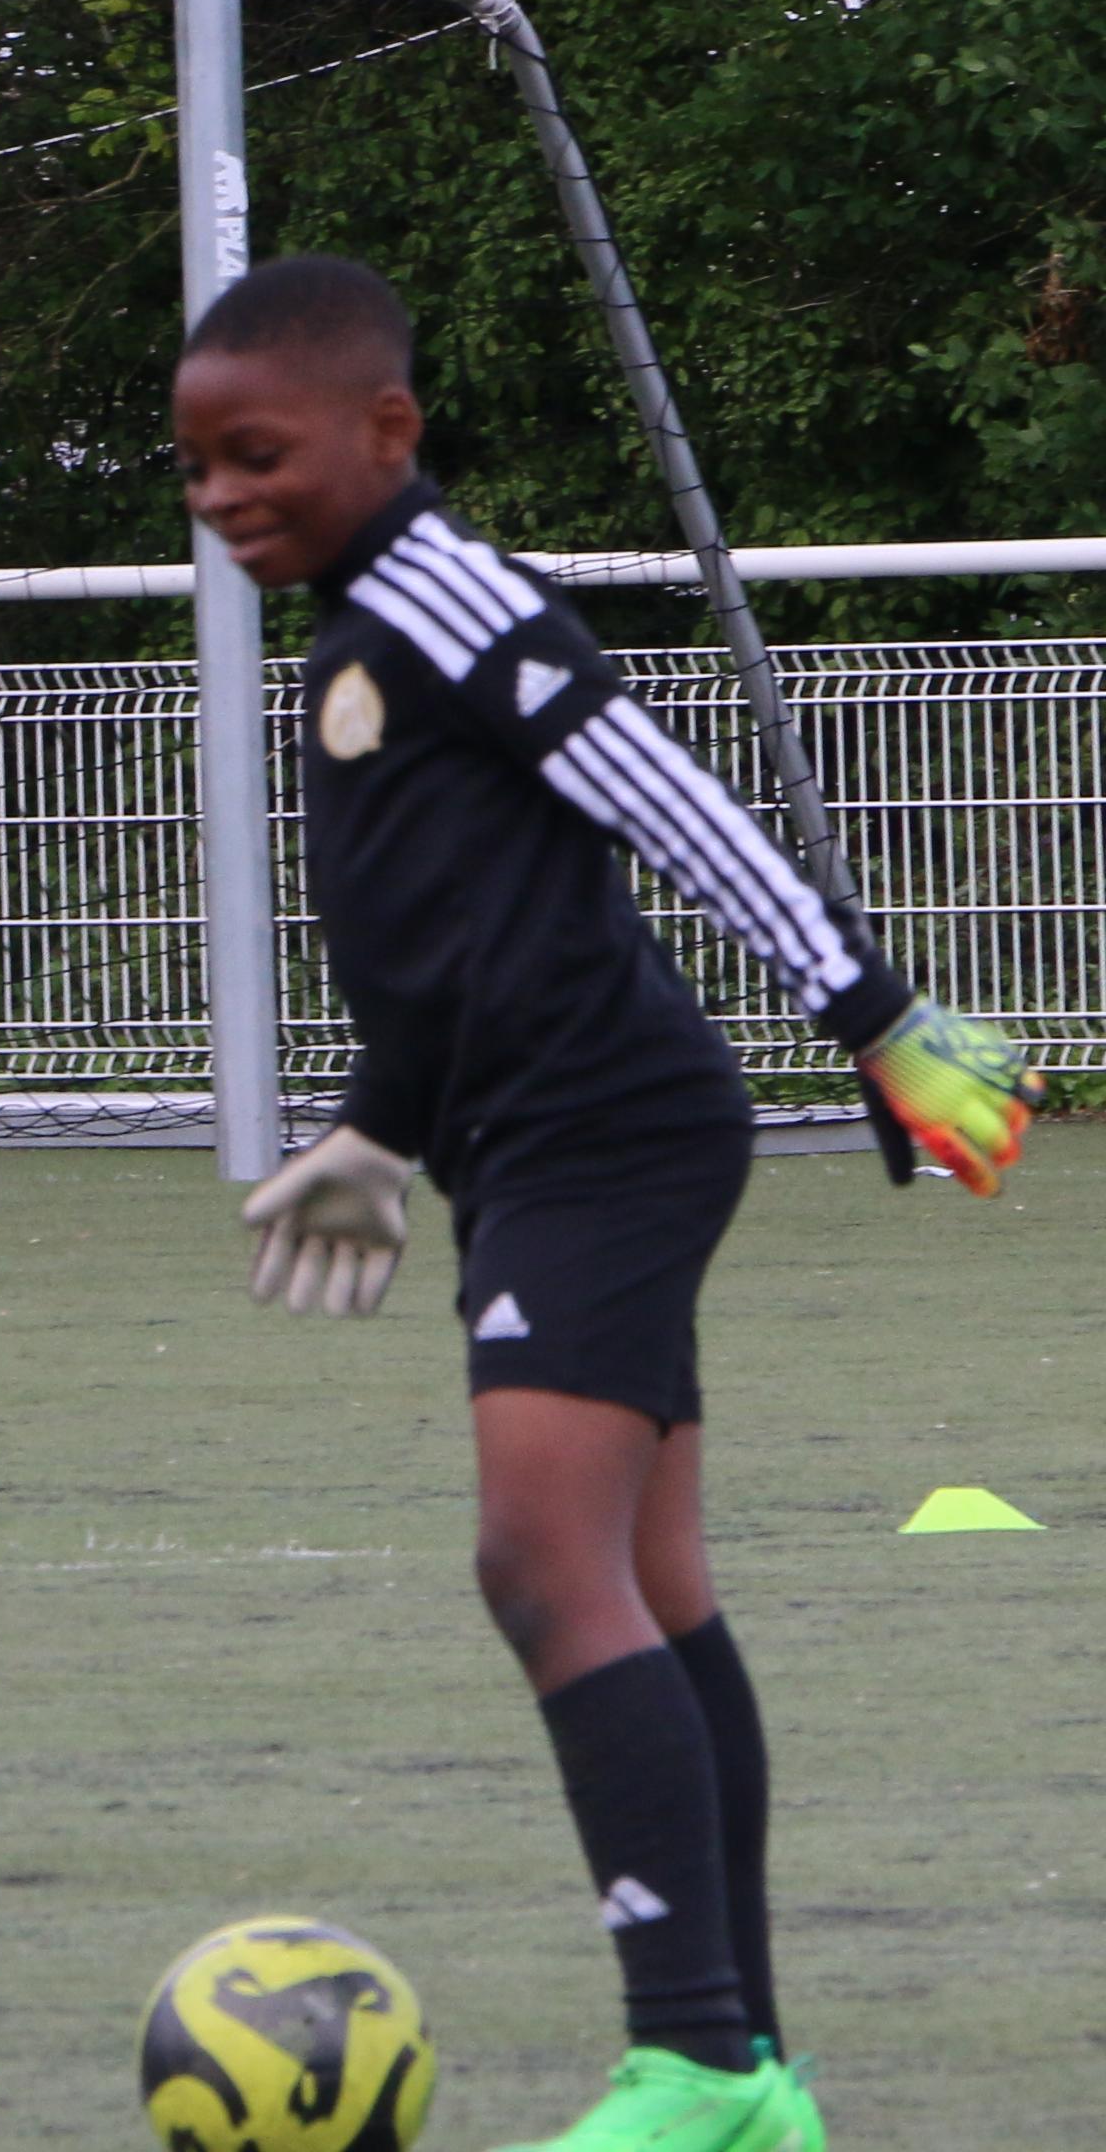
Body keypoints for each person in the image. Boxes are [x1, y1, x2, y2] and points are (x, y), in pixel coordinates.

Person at [190, 254, 1041, 2152]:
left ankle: (696, 2067)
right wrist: (375, 1130)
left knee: (537, 1564)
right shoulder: (350, 636)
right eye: (195, 468)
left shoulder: (452, 595)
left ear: (387, 431)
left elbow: (667, 794)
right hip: (533, 1142)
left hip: (608, 1133)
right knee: (652, 1587)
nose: (225, 495)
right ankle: (759, 2082)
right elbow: (446, 937)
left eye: (260, 453)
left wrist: (877, 1016)